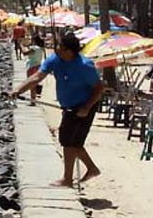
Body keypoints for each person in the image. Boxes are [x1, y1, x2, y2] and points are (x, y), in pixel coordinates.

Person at [10, 33, 104, 187]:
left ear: (69, 51)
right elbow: (37, 77)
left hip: (84, 107)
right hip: (68, 107)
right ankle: (91, 168)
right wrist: (18, 90)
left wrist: (86, 108)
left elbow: (99, 88)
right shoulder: (55, 59)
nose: (56, 48)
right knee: (72, 142)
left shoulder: (85, 65)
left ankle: (68, 179)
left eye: (59, 45)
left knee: (69, 142)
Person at [21, 35, 46, 106]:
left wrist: (22, 46)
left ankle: (32, 101)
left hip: (31, 66)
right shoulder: (41, 48)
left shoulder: (34, 48)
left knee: (31, 84)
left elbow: (25, 53)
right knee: (34, 83)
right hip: (38, 66)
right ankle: (34, 99)